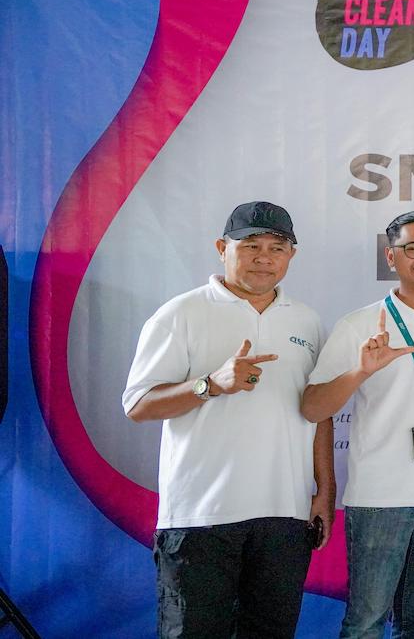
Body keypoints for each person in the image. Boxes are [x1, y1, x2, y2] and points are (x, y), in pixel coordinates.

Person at [123, 201, 334, 639]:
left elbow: (318, 410)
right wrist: (209, 385)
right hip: (200, 515)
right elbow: (139, 404)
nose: (264, 257)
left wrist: (324, 492)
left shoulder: (308, 321)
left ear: (291, 255)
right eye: (250, 245)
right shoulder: (181, 313)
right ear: (222, 248)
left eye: (277, 247)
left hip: (285, 514)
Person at [302, 210, 414, 639]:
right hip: (380, 498)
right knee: (365, 622)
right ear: (391, 256)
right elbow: (313, 408)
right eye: (413, 248)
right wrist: (360, 372)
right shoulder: (359, 324)